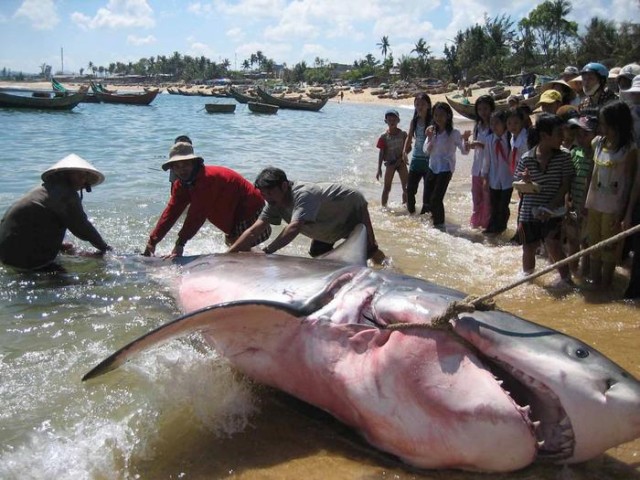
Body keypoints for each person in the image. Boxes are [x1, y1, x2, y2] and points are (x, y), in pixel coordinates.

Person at [227, 167, 383, 261]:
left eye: (269, 193)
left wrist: (266, 252)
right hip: (326, 220)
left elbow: (294, 227)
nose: (267, 198)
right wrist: (229, 254)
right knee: (319, 254)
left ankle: (390, 269)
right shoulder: (275, 202)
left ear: (283, 186)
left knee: (368, 250)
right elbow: (254, 230)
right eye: (263, 194)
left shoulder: (303, 194)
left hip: (351, 208)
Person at [143, 142, 269, 257]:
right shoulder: (181, 184)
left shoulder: (206, 180)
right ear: (172, 169)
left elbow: (197, 215)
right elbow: (171, 212)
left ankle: (264, 260)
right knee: (233, 243)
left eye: (185, 164)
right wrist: (153, 241)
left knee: (237, 245)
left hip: (250, 207)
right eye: (177, 166)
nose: (181, 170)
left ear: (194, 163)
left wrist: (179, 245)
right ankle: (261, 258)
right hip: (230, 208)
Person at [0, 154, 111, 271]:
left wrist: (60, 246)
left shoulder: (44, 189)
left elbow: (33, 224)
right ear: (64, 174)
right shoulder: (66, 194)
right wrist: (105, 248)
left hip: (5, 253)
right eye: (79, 175)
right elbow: (83, 228)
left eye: (85, 176)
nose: (83, 179)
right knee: (70, 283)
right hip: (25, 261)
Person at [513, 114, 575, 286]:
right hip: (529, 211)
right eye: (559, 133)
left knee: (553, 245)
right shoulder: (527, 158)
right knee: (528, 248)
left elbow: (566, 184)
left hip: (553, 210)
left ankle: (566, 281)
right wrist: (525, 180)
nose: (563, 137)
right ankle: (528, 282)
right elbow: (517, 185)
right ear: (544, 136)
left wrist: (550, 207)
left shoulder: (564, 156)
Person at [585, 101, 637, 287]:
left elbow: (630, 182)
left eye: (606, 124)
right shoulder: (597, 143)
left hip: (614, 207)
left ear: (618, 125)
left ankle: (606, 283)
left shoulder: (629, 150)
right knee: (593, 244)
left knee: (609, 247)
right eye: (601, 123)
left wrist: (625, 212)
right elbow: (590, 173)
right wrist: (584, 201)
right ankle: (593, 280)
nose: (602, 128)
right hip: (593, 203)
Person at [422, 102, 471, 229]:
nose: (438, 118)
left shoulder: (453, 133)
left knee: (436, 199)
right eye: (436, 115)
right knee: (427, 199)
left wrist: (465, 139)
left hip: (446, 168)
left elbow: (465, 152)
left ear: (448, 116)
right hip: (432, 167)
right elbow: (425, 151)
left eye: (442, 115)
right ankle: (431, 223)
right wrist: (429, 138)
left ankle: (440, 226)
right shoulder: (432, 131)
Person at [565, 113, 598, 276]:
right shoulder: (574, 152)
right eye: (579, 134)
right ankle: (572, 273)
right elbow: (568, 179)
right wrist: (568, 201)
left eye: (586, 134)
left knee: (586, 243)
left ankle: (584, 274)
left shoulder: (597, 155)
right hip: (573, 204)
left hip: (588, 207)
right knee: (572, 240)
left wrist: (585, 205)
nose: (581, 137)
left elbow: (592, 182)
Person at [481, 110, 513, 234]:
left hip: (508, 179)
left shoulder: (510, 139)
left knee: (503, 206)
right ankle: (493, 228)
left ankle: (501, 227)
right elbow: (486, 160)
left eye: (497, 123)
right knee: (494, 205)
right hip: (494, 179)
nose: (494, 126)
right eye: (491, 123)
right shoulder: (489, 140)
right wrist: (485, 177)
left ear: (504, 123)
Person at [468, 94, 495, 229]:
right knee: (476, 197)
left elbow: (496, 147)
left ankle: (485, 225)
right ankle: (475, 224)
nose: (483, 112)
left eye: (485, 109)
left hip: (489, 168)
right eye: (480, 109)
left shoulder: (495, 126)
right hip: (476, 168)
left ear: (491, 109)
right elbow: (474, 144)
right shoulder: (477, 126)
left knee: (487, 199)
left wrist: (481, 144)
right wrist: (471, 144)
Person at [403, 93, 432, 214]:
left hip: (429, 161)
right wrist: (404, 152)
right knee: (410, 190)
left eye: (423, 104)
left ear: (428, 106)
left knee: (427, 192)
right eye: (417, 104)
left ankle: (425, 217)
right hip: (415, 159)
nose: (419, 107)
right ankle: (411, 215)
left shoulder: (432, 121)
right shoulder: (414, 121)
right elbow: (409, 137)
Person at [376, 109, 408, 207]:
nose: (392, 122)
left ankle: (405, 205)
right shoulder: (383, 137)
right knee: (387, 188)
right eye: (389, 120)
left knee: (406, 187)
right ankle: (383, 207)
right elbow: (381, 153)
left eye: (394, 120)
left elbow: (408, 147)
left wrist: (402, 157)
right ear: (386, 121)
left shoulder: (403, 134)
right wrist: (379, 168)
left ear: (398, 121)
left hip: (401, 162)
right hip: (390, 163)